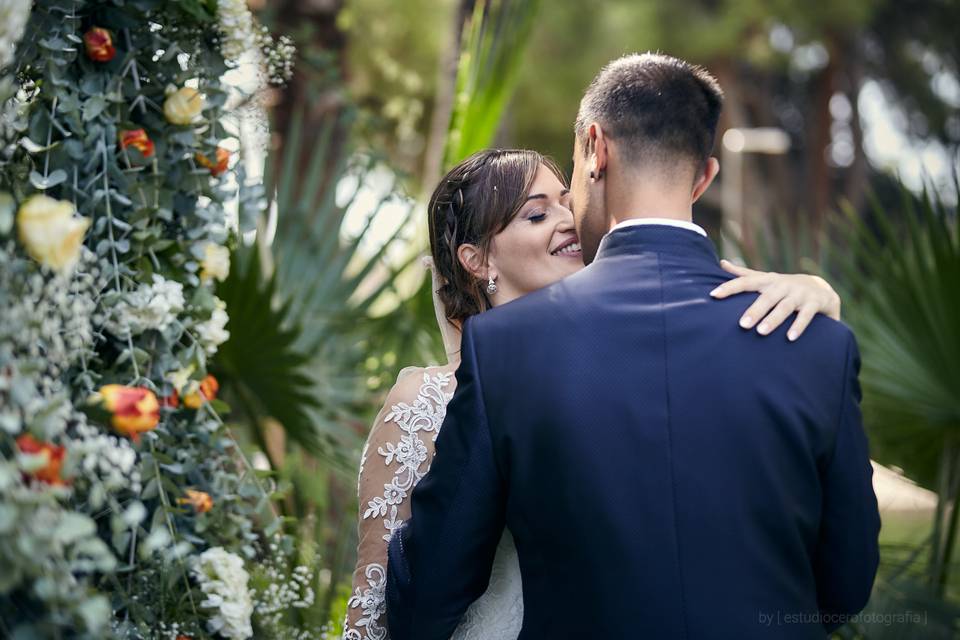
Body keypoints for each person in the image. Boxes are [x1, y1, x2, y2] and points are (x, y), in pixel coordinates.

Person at [380, 52, 880, 639]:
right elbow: (846, 585)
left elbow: (429, 591)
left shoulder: (503, 348)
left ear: (596, 149)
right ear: (706, 176)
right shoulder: (818, 340)